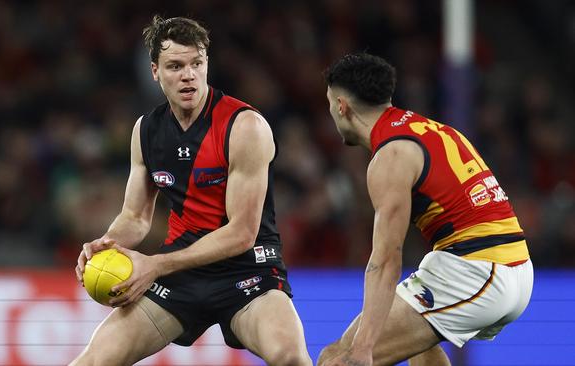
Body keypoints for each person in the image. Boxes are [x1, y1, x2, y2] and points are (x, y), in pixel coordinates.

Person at [70, 15, 311, 366]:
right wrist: (107, 242)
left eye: (197, 63)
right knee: (91, 362)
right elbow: (136, 217)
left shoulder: (245, 127)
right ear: (155, 71)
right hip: (181, 277)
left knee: (291, 358)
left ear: (207, 64)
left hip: (248, 272)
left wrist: (156, 265)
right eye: (175, 65)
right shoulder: (146, 131)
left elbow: (242, 234)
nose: (189, 75)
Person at [317, 53, 533, 366]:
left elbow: (386, 259)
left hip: (478, 270)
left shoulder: (391, 155)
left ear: (341, 106)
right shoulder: (428, 128)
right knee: (421, 352)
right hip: (506, 266)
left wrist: (364, 349)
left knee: (339, 359)